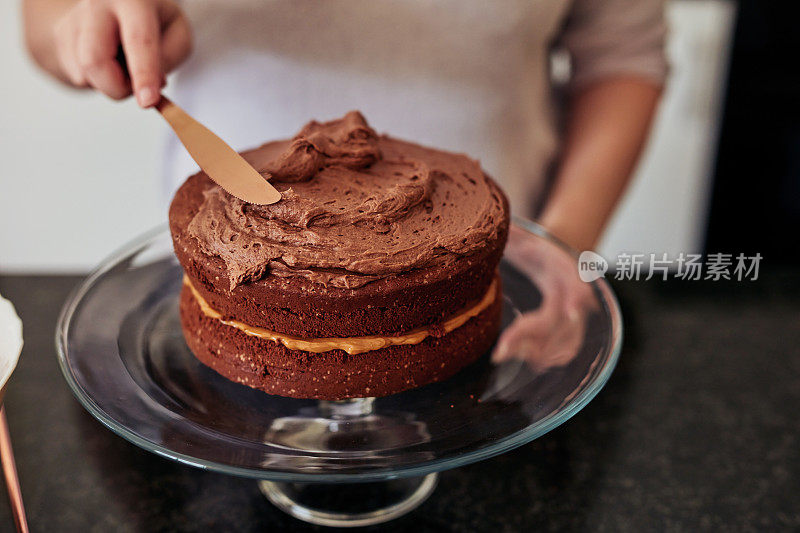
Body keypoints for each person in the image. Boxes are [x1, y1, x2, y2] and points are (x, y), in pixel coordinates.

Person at [22, 0, 666, 253]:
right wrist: (82, 27)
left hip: (493, 273)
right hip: (227, 262)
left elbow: (623, 57)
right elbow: (44, 18)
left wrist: (562, 245)